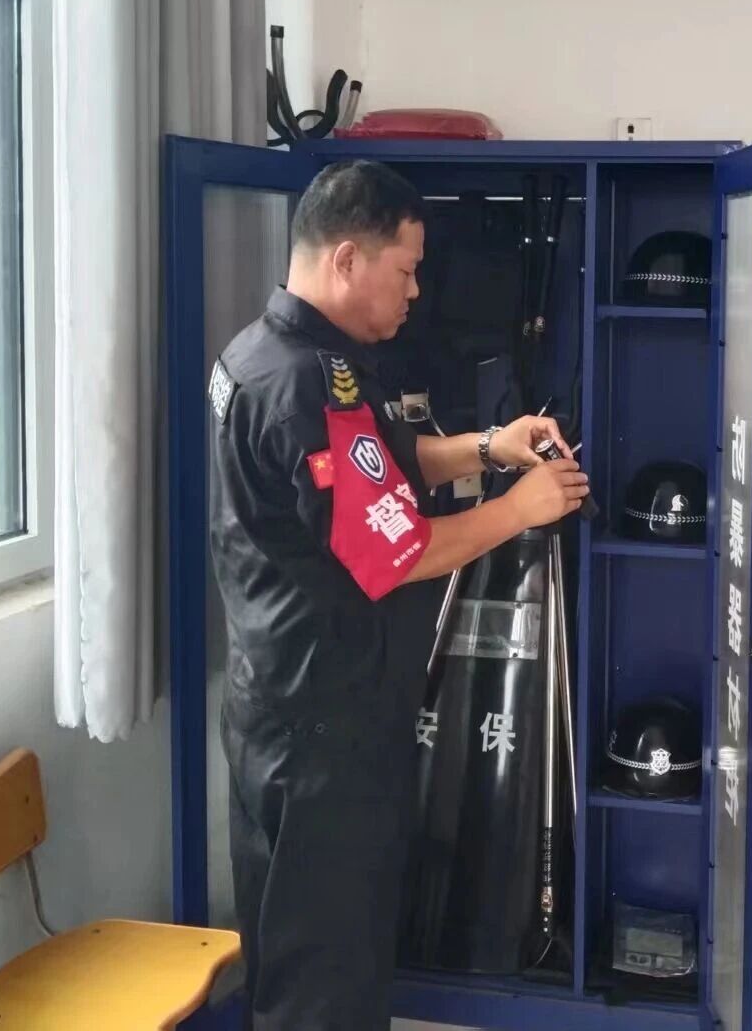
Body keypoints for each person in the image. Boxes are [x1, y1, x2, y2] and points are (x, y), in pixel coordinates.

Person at [208, 159, 589, 1029]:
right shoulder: (306, 384)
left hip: (280, 713)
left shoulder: (265, 354)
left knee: (295, 956)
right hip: (323, 738)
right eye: (407, 269)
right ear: (348, 259)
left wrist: (490, 445)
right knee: (324, 983)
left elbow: (377, 468)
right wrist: (520, 509)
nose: (416, 291)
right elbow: (397, 550)